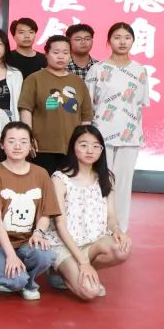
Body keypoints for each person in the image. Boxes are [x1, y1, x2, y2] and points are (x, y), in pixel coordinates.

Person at [0, 122, 61, 300]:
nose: (17, 146)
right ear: (2, 144)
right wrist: (10, 256)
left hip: (26, 240)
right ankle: (14, 277)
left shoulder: (41, 174)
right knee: (15, 281)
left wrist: (38, 233)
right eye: (11, 141)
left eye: (23, 142)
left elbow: (46, 212)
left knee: (46, 255)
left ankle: (28, 282)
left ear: (31, 145)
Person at [45, 126, 131, 300]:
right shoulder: (59, 179)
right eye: (83, 145)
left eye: (96, 146)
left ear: (101, 150)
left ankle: (84, 271)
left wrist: (117, 230)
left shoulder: (106, 178)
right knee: (90, 292)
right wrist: (83, 262)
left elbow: (111, 216)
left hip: (92, 241)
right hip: (64, 244)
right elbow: (60, 226)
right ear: (73, 147)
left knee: (121, 250)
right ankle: (62, 272)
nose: (90, 150)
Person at [85, 22, 148, 232]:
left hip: (130, 136)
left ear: (133, 41)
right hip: (101, 134)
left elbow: (139, 104)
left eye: (127, 38)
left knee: (123, 184)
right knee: (99, 181)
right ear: (109, 40)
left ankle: (120, 229)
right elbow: (88, 104)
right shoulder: (97, 69)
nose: (122, 42)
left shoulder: (140, 71)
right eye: (117, 37)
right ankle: (97, 227)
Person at [18, 35, 93, 175]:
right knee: (43, 185)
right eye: (56, 52)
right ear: (46, 54)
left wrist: (83, 143)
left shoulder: (78, 82)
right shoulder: (34, 79)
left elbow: (86, 116)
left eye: (65, 53)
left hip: (72, 148)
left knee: (68, 186)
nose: (61, 56)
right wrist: (28, 137)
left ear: (70, 56)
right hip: (41, 148)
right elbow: (25, 109)